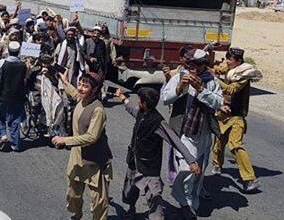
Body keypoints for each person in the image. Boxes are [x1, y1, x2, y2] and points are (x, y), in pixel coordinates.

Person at [115, 87, 201, 220]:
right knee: (130, 190)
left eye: (139, 99)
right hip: (134, 160)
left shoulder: (158, 122)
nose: (137, 101)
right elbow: (131, 109)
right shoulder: (141, 112)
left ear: (144, 103)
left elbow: (175, 141)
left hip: (150, 166)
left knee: (154, 196)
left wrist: (191, 160)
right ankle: (131, 209)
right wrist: (122, 98)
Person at [161, 49, 223, 219]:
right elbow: (165, 98)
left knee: (199, 173)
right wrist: (180, 87)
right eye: (190, 65)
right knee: (188, 168)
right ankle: (186, 203)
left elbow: (218, 102)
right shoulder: (179, 77)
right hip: (185, 132)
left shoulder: (210, 82)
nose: (193, 68)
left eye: (197, 65)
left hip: (203, 132)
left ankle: (192, 203)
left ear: (204, 65)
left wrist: (201, 89)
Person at [52, 72, 112, 220]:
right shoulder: (82, 99)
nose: (81, 88)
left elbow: (91, 137)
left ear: (95, 89)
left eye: (85, 86)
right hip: (77, 156)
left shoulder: (97, 110)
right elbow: (74, 93)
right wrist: (65, 82)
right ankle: (76, 214)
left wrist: (65, 140)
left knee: (99, 201)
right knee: (73, 194)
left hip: (94, 160)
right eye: (80, 84)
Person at [211, 47, 262, 192]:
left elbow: (230, 89)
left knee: (235, 145)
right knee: (219, 142)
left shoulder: (242, 76)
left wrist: (215, 80)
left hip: (237, 115)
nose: (227, 61)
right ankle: (217, 165)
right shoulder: (228, 68)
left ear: (238, 62)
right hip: (223, 113)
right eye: (227, 58)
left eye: (230, 59)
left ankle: (250, 179)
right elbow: (218, 68)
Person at [0, 41, 27, 152]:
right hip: (18, 97)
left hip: (3, 95)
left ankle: (3, 134)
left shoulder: (2, 63)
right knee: (15, 120)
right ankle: (15, 144)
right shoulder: (23, 65)